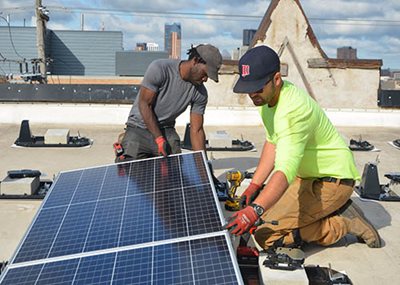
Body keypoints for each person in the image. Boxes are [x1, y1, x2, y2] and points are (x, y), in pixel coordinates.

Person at [225, 45, 382, 249]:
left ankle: (343, 223)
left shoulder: (293, 111)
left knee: (266, 236)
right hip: (306, 177)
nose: (253, 94)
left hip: (332, 182)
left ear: (277, 79)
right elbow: (273, 143)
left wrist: (254, 210)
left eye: (258, 87)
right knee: (263, 217)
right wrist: (254, 186)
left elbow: (285, 170)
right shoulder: (267, 100)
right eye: (248, 89)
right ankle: (328, 211)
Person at [116, 44, 222, 161]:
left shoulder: (200, 93)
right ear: (196, 61)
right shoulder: (160, 69)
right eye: (205, 74)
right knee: (128, 172)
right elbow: (145, 104)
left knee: (174, 173)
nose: (205, 79)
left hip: (167, 128)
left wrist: (203, 165)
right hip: (138, 127)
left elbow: (197, 130)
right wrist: (159, 139)